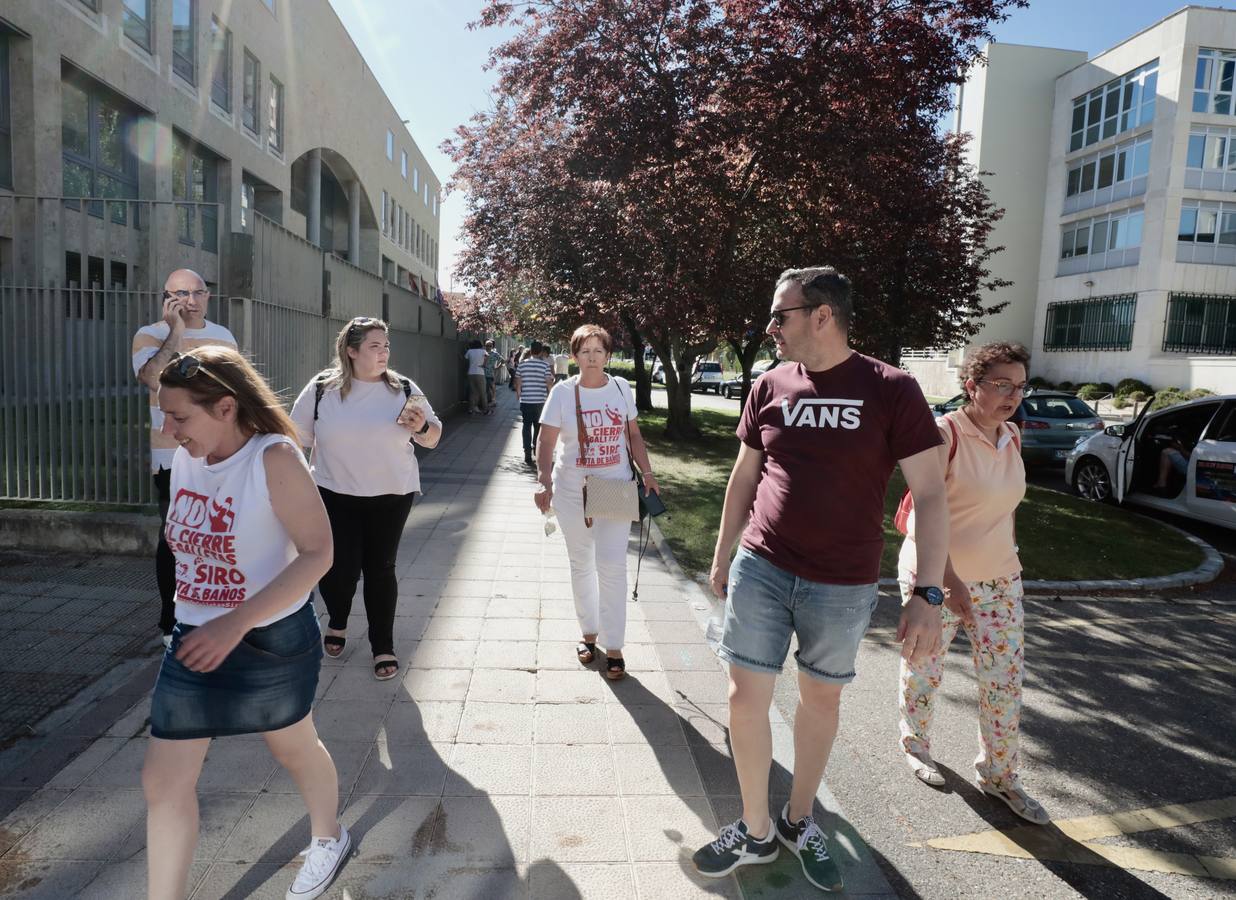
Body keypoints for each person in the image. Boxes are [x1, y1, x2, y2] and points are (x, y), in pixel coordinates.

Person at [693, 267, 947, 892]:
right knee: (743, 697)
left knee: (820, 700)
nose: (771, 327)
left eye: (781, 315)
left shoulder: (892, 389)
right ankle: (755, 829)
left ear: (823, 315)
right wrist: (724, 554)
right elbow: (744, 477)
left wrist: (929, 594)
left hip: (842, 581)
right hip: (763, 565)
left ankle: (799, 818)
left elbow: (933, 496)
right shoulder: (769, 384)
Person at [141, 346, 348, 900]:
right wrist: (176, 331)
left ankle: (329, 836)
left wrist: (234, 623)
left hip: (269, 642)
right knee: (162, 783)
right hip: (194, 639)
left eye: (179, 416)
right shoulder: (188, 452)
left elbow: (318, 553)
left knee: (293, 748)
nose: (168, 428)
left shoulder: (274, 458)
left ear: (226, 407)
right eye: (166, 414)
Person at [897, 342, 1050, 825]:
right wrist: (949, 582)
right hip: (936, 578)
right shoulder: (945, 434)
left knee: (1004, 683)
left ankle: (1000, 776)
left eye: (1020, 386)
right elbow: (921, 513)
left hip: (1002, 580)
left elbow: (999, 509)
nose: (1012, 395)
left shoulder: (1012, 436)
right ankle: (916, 744)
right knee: (925, 668)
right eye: (1001, 384)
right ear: (971, 385)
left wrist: (1004, 564)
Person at [291, 318, 442, 682]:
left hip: (392, 493)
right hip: (334, 492)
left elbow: (434, 437)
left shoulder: (403, 388)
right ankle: (339, 618)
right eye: (375, 346)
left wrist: (421, 427)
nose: (384, 353)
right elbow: (295, 437)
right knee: (339, 568)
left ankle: (382, 645)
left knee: (381, 569)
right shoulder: (323, 389)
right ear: (352, 351)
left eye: (386, 346)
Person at [534, 324, 660, 680]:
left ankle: (615, 645)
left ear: (608, 355)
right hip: (573, 489)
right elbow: (546, 444)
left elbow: (633, 435)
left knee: (611, 564)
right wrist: (544, 481)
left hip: (615, 486)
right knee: (581, 563)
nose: (592, 357)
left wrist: (648, 474)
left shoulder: (621, 388)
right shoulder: (561, 393)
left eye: (598, 350)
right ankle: (589, 634)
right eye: (584, 351)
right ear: (574, 356)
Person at [132, 269, 237, 649]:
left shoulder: (223, 337)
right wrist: (174, 330)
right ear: (166, 297)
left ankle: (215, 608)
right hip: (169, 455)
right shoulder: (149, 335)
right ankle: (171, 619)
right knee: (174, 536)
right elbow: (153, 377)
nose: (190, 301)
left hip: (217, 453)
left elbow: (233, 392)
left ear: (208, 296)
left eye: (198, 293)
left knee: (217, 535)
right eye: (180, 294)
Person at [515, 339, 554, 466]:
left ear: (531, 351)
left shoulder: (522, 364)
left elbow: (518, 381)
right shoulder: (545, 365)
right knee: (538, 426)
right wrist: (550, 395)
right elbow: (549, 382)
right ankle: (535, 450)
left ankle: (527, 453)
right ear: (541, 352)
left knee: (526, 426)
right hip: (540, 401)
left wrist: (519, 394)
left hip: (526, 400)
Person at [1153, 426, 1192, 494]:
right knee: (1168, 451)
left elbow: (1190, 457)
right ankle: (1161, 483)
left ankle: (1161, 484)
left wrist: (1179, 448)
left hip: (1193, 467)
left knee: (1166, 452)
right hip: (1196, 465)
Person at [464, 340, 488, 414]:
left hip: (471, 373)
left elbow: (465, 358)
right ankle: (485, 409)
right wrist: (484, 364)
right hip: (480, 373)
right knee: (483, 392)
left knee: (472, 392)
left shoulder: (469, 351)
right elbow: (487, 356)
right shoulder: (483, 351)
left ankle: (471, 409)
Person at [483, 339, 503, 409]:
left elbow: (503, 361)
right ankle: (487, 402)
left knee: (491, 388)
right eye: (486, 345)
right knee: (485, 389)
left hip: (490, 374)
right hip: (481, 374)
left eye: (490, 346)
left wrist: (497, 368)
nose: (488, 347)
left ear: (492, 346)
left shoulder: (495, 354)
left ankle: (493, 401)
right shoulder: (483, 352)